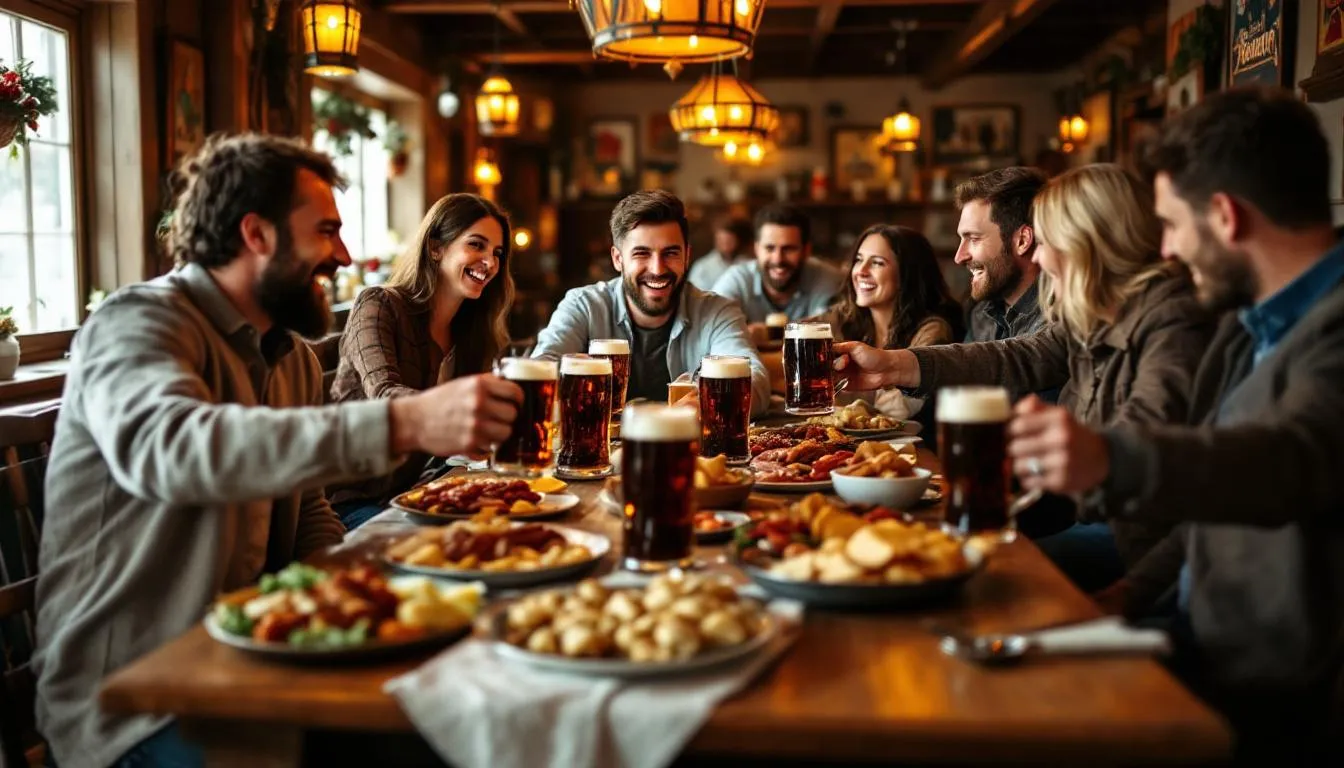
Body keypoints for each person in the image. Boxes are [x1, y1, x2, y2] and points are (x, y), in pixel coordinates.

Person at [840, 88, 1344, 762]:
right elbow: (1205, 508)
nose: (1163, 247)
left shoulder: (1301, 331)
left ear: (1223, 217)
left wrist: (1108, 460)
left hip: (1255, 687)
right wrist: (1128, 594)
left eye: (1171, 224)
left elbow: (1286, 459)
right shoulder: (1245, 328)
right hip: (1187, 621)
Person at [32, 133, 523, 768]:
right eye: (325, 232)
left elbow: (309, 509)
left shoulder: (286, 354)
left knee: (465, 714)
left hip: (254, 661)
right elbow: (174, 450)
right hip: (137, 703)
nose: (343, 255)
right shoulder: (139, 323)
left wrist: (373, 598)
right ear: (257, 234)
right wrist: (403, 421)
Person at [829, 164, 1214, 592]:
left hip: (1128, 545)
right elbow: (1017, 356)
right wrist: (893, 364)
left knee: (955, 575)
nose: (1040, 258)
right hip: (1088, 523)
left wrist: (1127, 596)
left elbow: (1140, 454)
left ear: (1092, 242)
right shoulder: (1092, 316)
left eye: (1047, 242)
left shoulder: (1170, 320)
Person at [326, 193, 515, 529]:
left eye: (496, 253)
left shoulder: (472, 333)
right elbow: (384, 395)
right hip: (355, 502)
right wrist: (463, 414)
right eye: (476, 245)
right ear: (435, 248)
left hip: (415, 491)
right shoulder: (379, 304)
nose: (489, 262)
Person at [532, 189, 770, 416]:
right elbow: (541, 369)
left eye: (670, 253)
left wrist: (704, 403)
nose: (657, 269)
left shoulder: (717, 311)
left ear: (687, 256)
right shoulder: (584, 304)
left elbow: (755, 379)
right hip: (597, 453)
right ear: (618, 259)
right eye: (641, 253)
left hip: (685, 451)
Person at [812, 224, 965, 423]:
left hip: (915, 449)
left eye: (877, 263)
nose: (861, 271)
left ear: (906, 274)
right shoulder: (847, 316)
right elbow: (798, 333)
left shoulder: (933, 328)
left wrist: (839, 393)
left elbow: (898, 406)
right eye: (859, 260)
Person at [711, 203, 844, 338]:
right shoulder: (736, 280)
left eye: (788, 249)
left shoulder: (829, 280)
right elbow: (713, 328)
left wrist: (766, 333)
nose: (778, 259)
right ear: (756, 249)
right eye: (770, 248)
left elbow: (834, 330)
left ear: (806, 250)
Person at [955, 167, 1049, 346]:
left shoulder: (1059, 320)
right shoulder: (981, 315)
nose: (959, 257)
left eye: (974, 238)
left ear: (1022, 240)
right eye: (961, 238)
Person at [687, 214, 752, 291]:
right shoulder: (702, 267)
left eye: (729, 240)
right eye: (721, 240)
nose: (725, 244)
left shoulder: (747, 263)